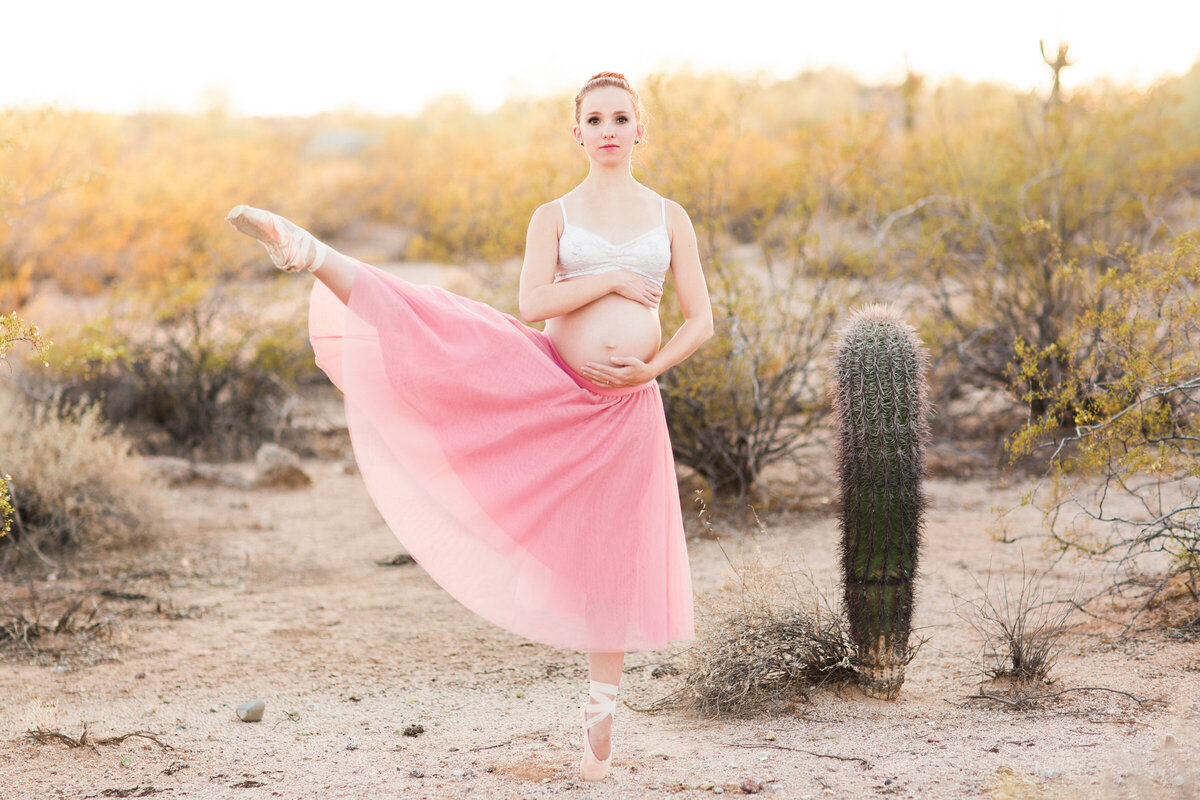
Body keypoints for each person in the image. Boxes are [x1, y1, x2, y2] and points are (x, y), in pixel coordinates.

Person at [226, 71, 713, 782]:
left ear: (642, 130)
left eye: (620, 118)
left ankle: (600, 709)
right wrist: (609, 281)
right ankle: (311, 252)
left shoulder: (670, 216)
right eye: (595, 119)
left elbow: (700, 319)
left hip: (628, 408)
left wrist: (651, 369)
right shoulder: (555, 213)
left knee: (616, 559)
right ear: (576, 133)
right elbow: (532, 299)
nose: (608, 129)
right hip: (554, 386)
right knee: (443, 325)